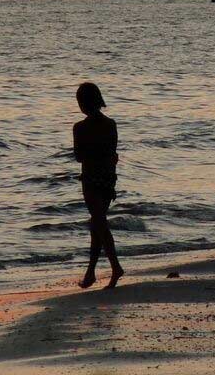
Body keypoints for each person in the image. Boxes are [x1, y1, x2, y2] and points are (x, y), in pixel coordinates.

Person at [72, 82, 124, 290]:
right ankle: (90, 272)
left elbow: (78, 156)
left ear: (83, 103)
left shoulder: (79, 127)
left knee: (99, 223)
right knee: (97, 225)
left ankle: (115, 266)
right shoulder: (111, 124)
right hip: (108, 178)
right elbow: (112, 152)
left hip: (91, 179)